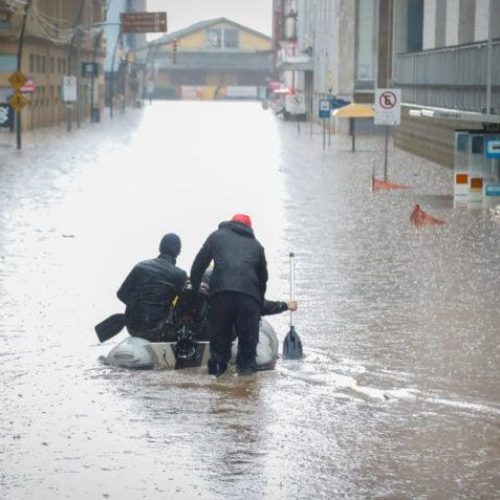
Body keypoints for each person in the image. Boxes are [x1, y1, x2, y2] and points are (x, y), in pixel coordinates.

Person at [190, 214, 268, 376]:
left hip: (220, 295)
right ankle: (245, 386)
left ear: (230, 223)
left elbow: (198, 264)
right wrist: (258, 305)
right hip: (249, 299)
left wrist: (196, 289)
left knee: (219, 348)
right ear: (249, 228)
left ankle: (216, 376)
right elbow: (263, 279)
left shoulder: (216, 236)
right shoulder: (257, 246)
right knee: (247, 351)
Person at [117, 233, 188, 342]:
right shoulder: (180, 275)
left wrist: (139, 307)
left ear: (159, 248)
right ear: (179, 251)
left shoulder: (140, 266)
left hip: (132, 327)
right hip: (158, 329)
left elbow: (121, 294)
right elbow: (185, 306)